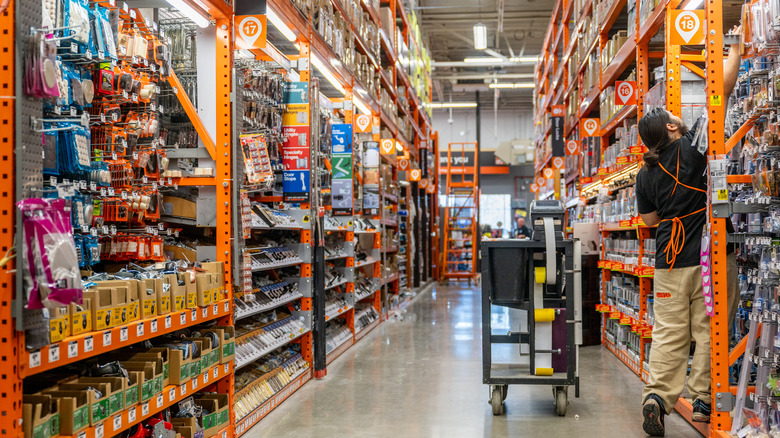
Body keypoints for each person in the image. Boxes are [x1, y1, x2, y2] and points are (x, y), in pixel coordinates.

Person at [637, 30, 742, 437]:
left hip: (668, 261)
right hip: (710, 257)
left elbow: (647, 223)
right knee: (710, 330)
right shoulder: (694, 146)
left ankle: (656, 399)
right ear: (672, 127)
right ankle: (702, 401)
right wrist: (736, 49)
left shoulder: (644, 175)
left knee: (668, 334)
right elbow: (723, 88)